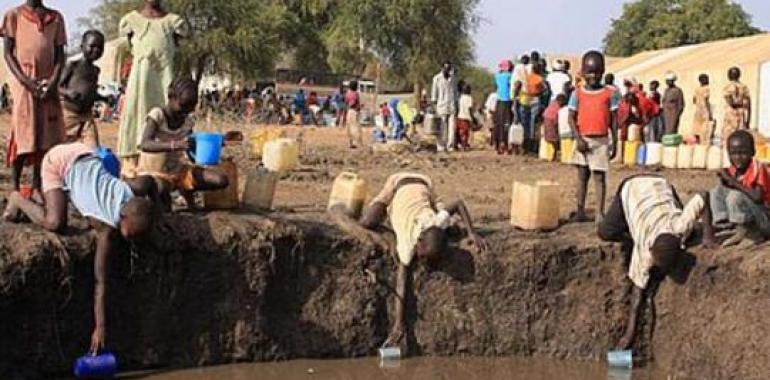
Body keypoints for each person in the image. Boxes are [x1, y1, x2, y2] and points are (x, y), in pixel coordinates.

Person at [2, 141, 157, 352]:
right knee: (55, 223)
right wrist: (100, 327)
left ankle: (44, 196)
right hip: (59, 162)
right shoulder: (105, 228)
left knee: (63, 205)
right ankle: (18, 199)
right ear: (122, 217)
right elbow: (100, 282)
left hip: (84, 154)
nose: (133, 241)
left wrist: (160, 212)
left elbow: (149, 182)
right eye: (132, 236)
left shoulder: (130, 190)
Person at [355, 173, 486, 349]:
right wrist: (398, 324)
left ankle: (415, 212)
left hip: (426, 185)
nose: (421, 261)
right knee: (367, 222)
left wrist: (472, 233)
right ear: (419, 242)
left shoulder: (437, 223)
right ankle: (386, 216)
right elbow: (401, 281)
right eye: (422, 256)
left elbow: (458, 203)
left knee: (451, 225)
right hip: (398, 183)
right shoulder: (408, 242)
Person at [597, 174, 707, 349]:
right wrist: (629, 335)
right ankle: (627, 223)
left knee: (689, 228)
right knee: (604, 232)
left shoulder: (681, 226)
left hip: (661, 184)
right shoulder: (644, 249)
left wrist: (710, 237)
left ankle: (632, 222)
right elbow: (637, 296)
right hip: (632, 186)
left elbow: (703, 196)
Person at [137, 78, 239, 210]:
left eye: (189, 108)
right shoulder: (158, 115)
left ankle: (185, 189)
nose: (185, 111)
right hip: (154, 172)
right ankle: (167, 198)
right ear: (171, 97)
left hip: (178, 171)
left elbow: (191, 154)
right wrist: (173, 145)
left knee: (220, 179)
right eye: (183, 106)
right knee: (161, 190)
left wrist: (220, 142)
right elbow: (145, 144)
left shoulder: (187, 122)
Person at [2, 0, 67, 194]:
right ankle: (15, 188)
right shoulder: (14, 16)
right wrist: (25, 81)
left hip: (48, 85)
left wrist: (54, 81)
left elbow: (60, 55)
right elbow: (8, 53)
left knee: (45, 134)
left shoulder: (55, 18)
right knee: (23, 132)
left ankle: (37, 185)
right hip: (24, 85)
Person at [117, 0, 188, 176]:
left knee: (165, 116)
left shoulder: (173, 22)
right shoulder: (131, 21)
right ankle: (132, 167)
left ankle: (166, 167)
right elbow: (129, 46)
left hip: (165, 81)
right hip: (140, 83)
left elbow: (176, 45)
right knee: (137, 115)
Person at [568, 51, 620, 222]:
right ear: (583, 73)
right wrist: (578, 139)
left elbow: (613, 119)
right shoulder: (577, 93)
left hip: (601, 140)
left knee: (599, 177)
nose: (593, 76)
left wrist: (615, 142)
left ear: (603, 72)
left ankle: (599, 212)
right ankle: (580, 209)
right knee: (582, 176)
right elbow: (571, 117)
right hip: (583, 139)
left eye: (597, 73)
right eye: (590, 72)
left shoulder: (609, 94)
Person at [703, 130, 770, 248]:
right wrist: (725, 180)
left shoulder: (759, 168)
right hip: (750, 215)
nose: (738, 158)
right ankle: (729, 225)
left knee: (735, 197)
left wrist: (732, 182)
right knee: (716, 191)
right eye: (733, 154)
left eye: (743, 153)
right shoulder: (734, 170)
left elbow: (758, 197)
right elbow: (728, 189)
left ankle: (754, 235)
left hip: (764, 219)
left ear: (752, 152)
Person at [58, 30, 107, 148]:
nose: (96, 50)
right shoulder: (73, 65)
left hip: (87, 116)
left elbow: (91, 92)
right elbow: (57, 86)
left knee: (93, 149)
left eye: (100, 48)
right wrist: (68, 92)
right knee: (62, 147)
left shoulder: (95, 70)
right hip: (69, 114)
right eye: (92, 46)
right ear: (82, 46)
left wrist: (102, 98)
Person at [431, 62, 458, 152]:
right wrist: (434, 108)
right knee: (442, 127)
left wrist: (456, 104)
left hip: (451, 106)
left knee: (452, 128)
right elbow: (434, 94)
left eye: (449, 68)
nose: (447, 70)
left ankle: (450, 146)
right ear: (442, 68)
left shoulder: (453, 78)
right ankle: (441, 146)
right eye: (446, 68)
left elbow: (455, 92)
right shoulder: (437, 78)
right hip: (441, 106)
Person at [523, 61, 547, 154]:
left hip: (526, 99)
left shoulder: (527, 78)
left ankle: (526, 143)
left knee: (526, 122)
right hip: (536, 99)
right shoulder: (539, 79)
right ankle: (533, 144)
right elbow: (544, 89)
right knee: (534, 123)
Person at [722, 67, 751, 140]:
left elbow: (730, 102)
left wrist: (736, 104)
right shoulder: (744, 87)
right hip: (741, 116)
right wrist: (748, 121)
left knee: (728, 139)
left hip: (730, 117)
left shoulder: (727, 87)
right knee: (740, 138)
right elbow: (749, 105)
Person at [494, 59, 513, 154]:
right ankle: (505, 144)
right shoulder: (510, 76)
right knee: (507, 123)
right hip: (507, 102)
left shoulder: (497, 76)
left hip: (499, 102)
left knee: (499, 124)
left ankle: (498, 144)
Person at [542, 94, 566, 162]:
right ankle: (555, 155)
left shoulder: (552, 104)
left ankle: (553, 155)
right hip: (551, 124)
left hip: (547, 123)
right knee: (555, 141)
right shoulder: (558, 108)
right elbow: (556, 121)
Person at [692, 74, 714, 145]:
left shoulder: (696, 89)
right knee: (705, 128)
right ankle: (704, 143)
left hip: (697, 110)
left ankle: (697, 142)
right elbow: (706, 101)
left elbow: (694, 100)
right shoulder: (706, 89)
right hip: (704, 110)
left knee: (697, 128)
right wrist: (710, 113)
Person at [456, 84, 475, 151]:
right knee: (465, 133)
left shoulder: (461, 97)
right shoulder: (469, 98)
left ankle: (460, 144)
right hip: (466, 118)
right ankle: (464, 145)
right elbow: (469, 108)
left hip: (459, 117)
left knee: (460, 132)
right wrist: (472, 118)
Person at [345, 80, 363, 149]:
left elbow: (346, 102)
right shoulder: (355, 94)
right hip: (355, 111)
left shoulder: (347, 93)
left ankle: (351, 143)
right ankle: (358, 143)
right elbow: (353, 102)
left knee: (349, 127)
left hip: (349, 111)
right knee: (356, 127)